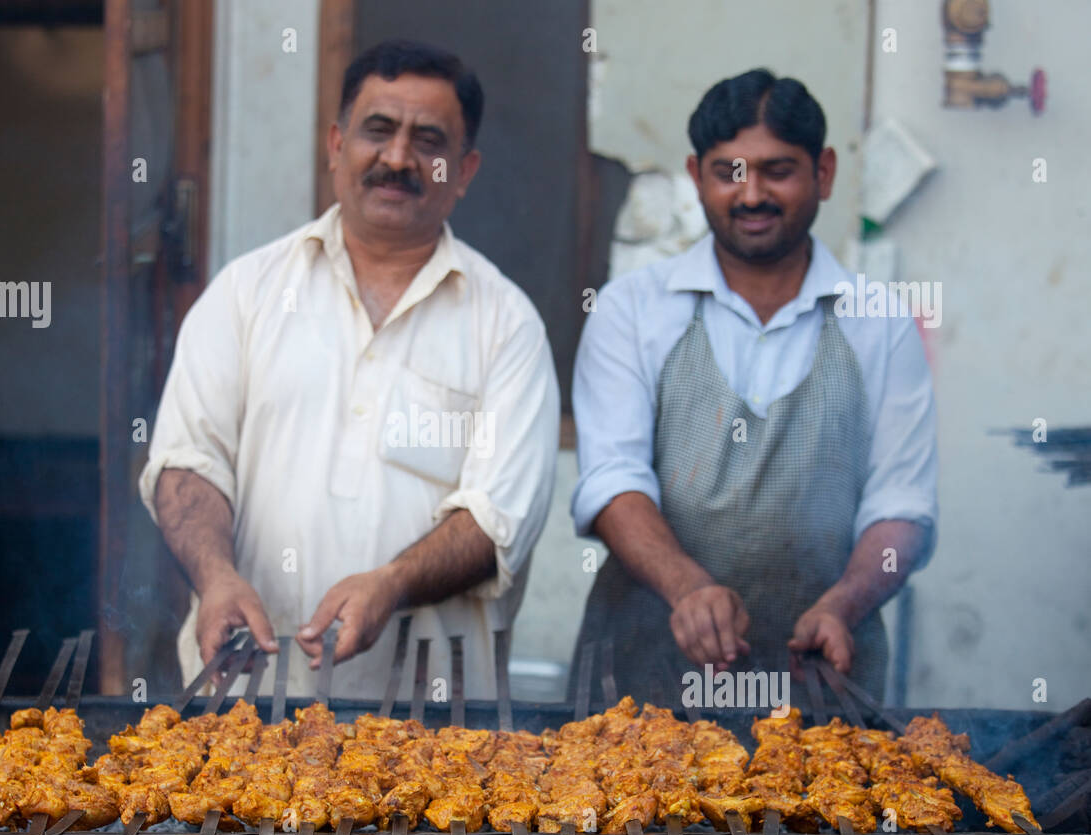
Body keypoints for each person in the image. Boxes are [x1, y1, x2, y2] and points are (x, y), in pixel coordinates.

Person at [139, 39, 559, 701]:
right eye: (378, 131)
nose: (397, 158)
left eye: (428, 140)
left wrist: (390, 583)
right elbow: (188, 462)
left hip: (434, 729)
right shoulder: (245, 292)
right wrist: (216, 576)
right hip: (247, 702)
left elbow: (499, 519)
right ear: (336, 144)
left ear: (465, 169)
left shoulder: (506, 323)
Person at [569, 68, 937, 706]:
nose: (752, 194)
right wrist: (685, 587)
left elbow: (901, 505)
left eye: (777, 170)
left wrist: (845, 603)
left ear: (823, 172)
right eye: (728, 172)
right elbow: (611, 480)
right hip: (645, 679)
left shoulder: (880, 321)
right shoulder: (632, 310)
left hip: (823, 678)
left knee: (828, 804)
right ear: (696, 176)